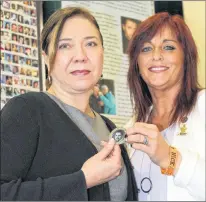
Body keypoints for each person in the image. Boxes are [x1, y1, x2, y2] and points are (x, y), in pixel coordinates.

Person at [1, 6, 138, 201]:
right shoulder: (26, 111)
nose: (80, 56)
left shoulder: (109, 127)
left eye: (90, 44)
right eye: (65, 45)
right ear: (46, 58)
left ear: (102, 53)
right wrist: (83, 180)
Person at [124, 12, 205, 201]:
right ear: (137, 63)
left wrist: (170, 159)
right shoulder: (132, 126)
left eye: (168, 47)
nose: (156, 56)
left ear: (186, 57)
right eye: (146, 49)